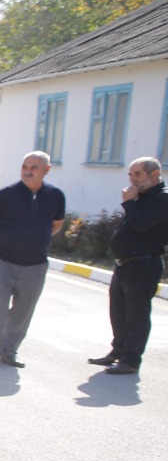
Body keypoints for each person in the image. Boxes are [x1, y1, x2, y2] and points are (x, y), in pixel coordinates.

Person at [0, 152, 64, 368]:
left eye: (34, 167)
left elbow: (57, 223)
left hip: (35, 265)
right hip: (3, 262)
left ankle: (10, 351)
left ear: (46, 170)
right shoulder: (6, 194)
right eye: (25, 166)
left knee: (23, 311)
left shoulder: (55, 195)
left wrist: (38, 240)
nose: (28, 170)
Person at [88, 156, 168, 375]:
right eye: (130, 174)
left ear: (154, 174)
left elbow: (141, 224)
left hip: (144, 265)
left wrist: (129, 203)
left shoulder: (162, 199)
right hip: (124, 265)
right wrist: (132, 202)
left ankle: (131, 360)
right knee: (118, 312)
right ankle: (118, 352)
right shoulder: (139, 197)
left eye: (138, 174)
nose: (132, 179)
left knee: (136, 315)